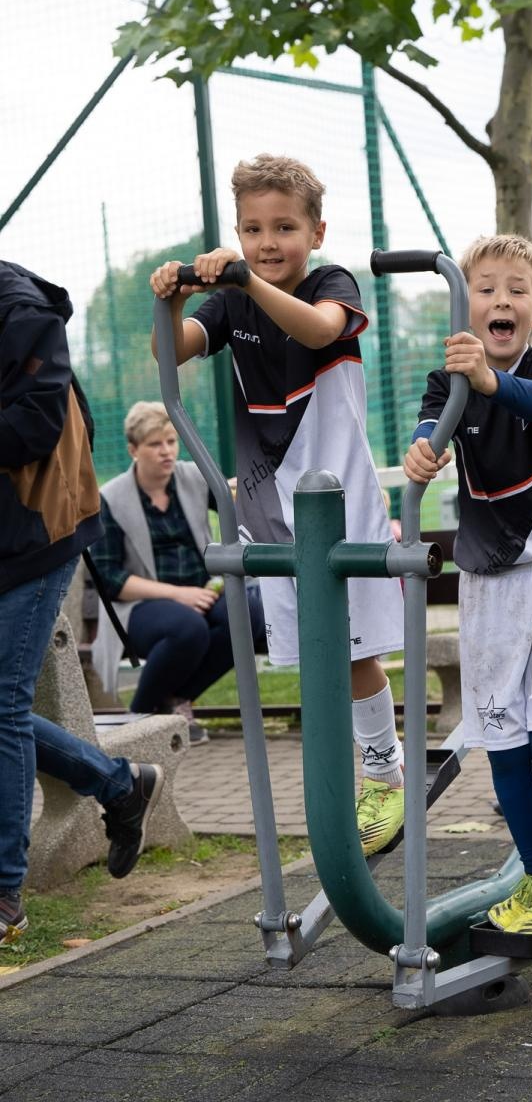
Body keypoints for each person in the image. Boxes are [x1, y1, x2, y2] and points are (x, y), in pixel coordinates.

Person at [149, 154, 405, 855]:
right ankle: (338, 780)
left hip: (339, 499)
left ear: (316, 231)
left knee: (352, 654)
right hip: (272, 508)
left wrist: (245, 280)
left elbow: (320, 330)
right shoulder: (234, 299)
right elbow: (172, 352)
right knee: (311, 660)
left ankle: (384, 772)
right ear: (237, 228)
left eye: (285, 227)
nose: (268, 242)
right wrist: (172, 299)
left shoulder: (331, 283)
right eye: (254, 229)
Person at [404, 234, 532, 935]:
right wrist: (424, 448)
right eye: (486, 288)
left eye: (516, 289)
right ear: (465, 305)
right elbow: (434, 423)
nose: (502, 299)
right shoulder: (448, 377)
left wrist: (489, 383)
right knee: (503, 744)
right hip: (488, 584)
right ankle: (531, 878)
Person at [0, 260, 163, 946]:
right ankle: (120, 786)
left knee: (4, 704)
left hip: (38, 531)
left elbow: (34, 426)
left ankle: (5, 896)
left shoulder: (21, 309)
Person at [90, 401, 267, 747]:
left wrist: (239, 489)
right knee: (188, 628)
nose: (167, 451)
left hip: (202, 590)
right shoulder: (111, 498)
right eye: (155, 444)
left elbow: (239, 506)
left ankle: (170, 703)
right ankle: (137, 717)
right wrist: (178, 594)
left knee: (247, 614)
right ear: (133, 450)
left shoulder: (192, 477)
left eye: (171, 442)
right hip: (140, 606)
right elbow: (110, 579)